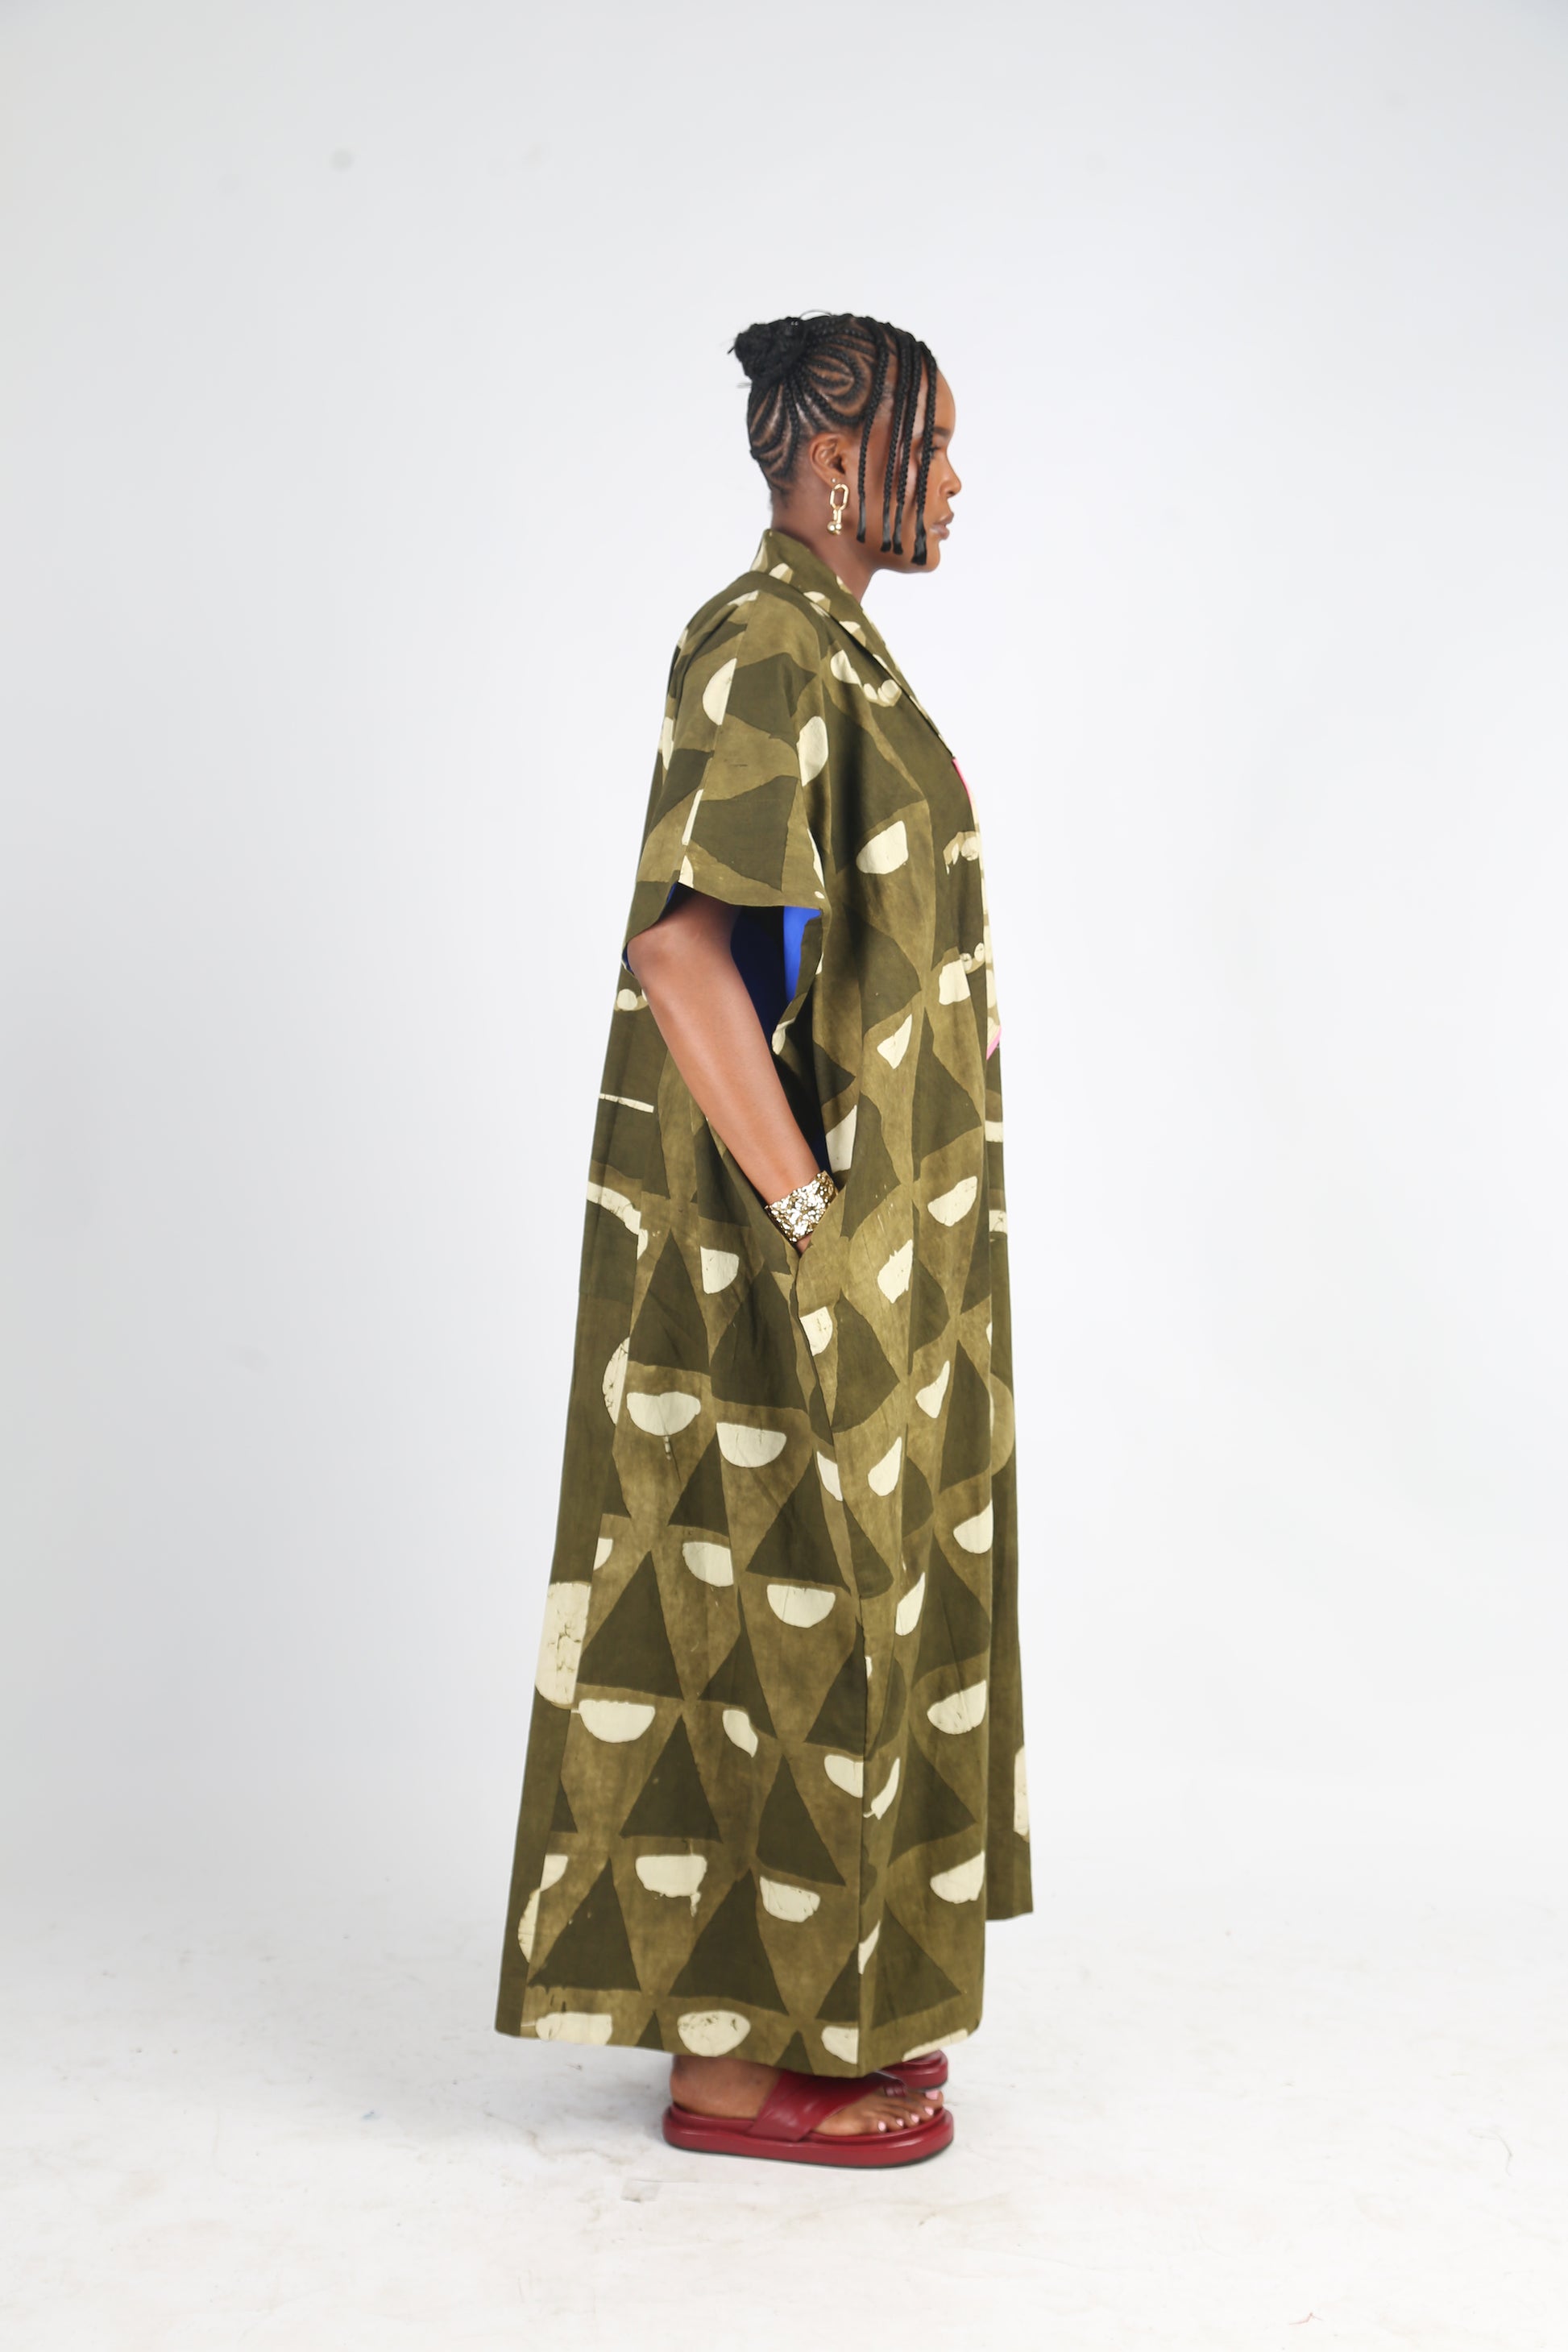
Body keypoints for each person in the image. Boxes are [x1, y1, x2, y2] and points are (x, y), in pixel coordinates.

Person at [493, 312, 1031, 2167]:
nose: (952, 481)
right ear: (832, 460)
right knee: (757, 1594)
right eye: (928, 445)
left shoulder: (836, 650)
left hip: (878, 1238)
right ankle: (731, 2072)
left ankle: (812, 2006)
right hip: (786, 1240)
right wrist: (810, 1210)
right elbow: (680, 945)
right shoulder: (761, 644)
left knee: (855, 1600)